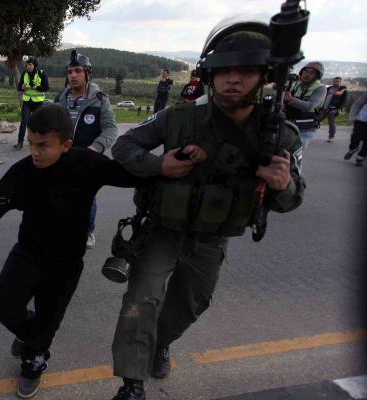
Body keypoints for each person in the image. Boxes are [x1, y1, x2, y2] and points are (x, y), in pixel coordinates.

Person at [109, 16, 305, 400]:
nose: (233, 79)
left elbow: (293, 199)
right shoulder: (178, 118)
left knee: (189, 305)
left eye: (245, 72)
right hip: (162, 230)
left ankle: (160, 343)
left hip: (211, 240)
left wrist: (282, 185)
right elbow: (124, 146)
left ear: (263, 77)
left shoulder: (279, 134)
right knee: (140, 300)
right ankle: (132, 384)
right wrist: (159, 166)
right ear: (210, 76)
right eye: (224, 71)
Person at [0, 104, 141, 399]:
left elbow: (131, 176)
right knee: (6, 307)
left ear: (66, 145)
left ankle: (34, 360)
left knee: (49, 318)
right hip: (27, 254)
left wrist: (168, 166)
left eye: (43, 146)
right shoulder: (22, 173)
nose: (35, 152)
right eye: (31, 144)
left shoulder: (87, 164)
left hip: (66, 264)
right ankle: (34, 339)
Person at [54, 49, 118, 248]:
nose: (72, 75)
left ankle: (87, 231)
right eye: (69, 72)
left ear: (87, 73)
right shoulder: (60, 98)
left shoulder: (100, 100)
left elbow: (110, 129)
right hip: (63, 155)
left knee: (86, 195)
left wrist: (95, 147)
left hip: (87, 156)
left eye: (77, 71)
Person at [284, 61, 327, 149]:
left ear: (317, 76)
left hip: (304, 129)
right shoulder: (294, 85)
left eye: (312, 73)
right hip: (288, 125)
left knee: (294, 153)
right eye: (306, 71)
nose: (307, 75)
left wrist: (291, 99)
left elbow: (310, 106)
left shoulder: (320, 88)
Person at [14, 56, 49, 149]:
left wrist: (36, 87)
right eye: (27, 65)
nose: (28, 66)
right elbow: (19, 86)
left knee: (38, 123)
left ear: (34, 65)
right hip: (27, 102)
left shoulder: (41, 73)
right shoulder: (24, 73)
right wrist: (22, 87)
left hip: (38, 102)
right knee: (24, 122)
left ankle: (40, 142)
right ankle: (20, 143)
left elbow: (46, 88)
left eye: (30, 64)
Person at [319, 77, 348, 142]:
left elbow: (343, 102)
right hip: (324, 108)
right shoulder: (328, 88)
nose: (336, 82)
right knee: (317, 120)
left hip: (333, 110)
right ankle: (310, 132)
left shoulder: (343, 91)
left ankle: (331, 137)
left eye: (338, 81)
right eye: (335, 81)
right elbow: (323, 97)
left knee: (332, 124)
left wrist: (337, 109)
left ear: (340, 82)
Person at [344, 92, 367, 166]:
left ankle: (360, 157)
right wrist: (352, 117)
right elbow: (357, 104)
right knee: (355, 137)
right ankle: (353, 148)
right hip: (361, 120)